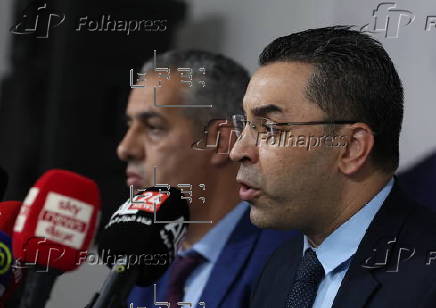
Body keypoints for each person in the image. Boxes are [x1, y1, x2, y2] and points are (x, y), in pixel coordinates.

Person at [230, 26, 436, 308]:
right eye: (244, 125)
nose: (238, 150)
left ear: (352, 148)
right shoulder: (279, 267)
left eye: (270, 128)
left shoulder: (426, 272)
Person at [117, 50, 296, 308]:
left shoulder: (286, 259)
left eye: (154, 127)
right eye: (129, 126)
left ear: (219, 141)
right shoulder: (143, 260)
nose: (125, 148)